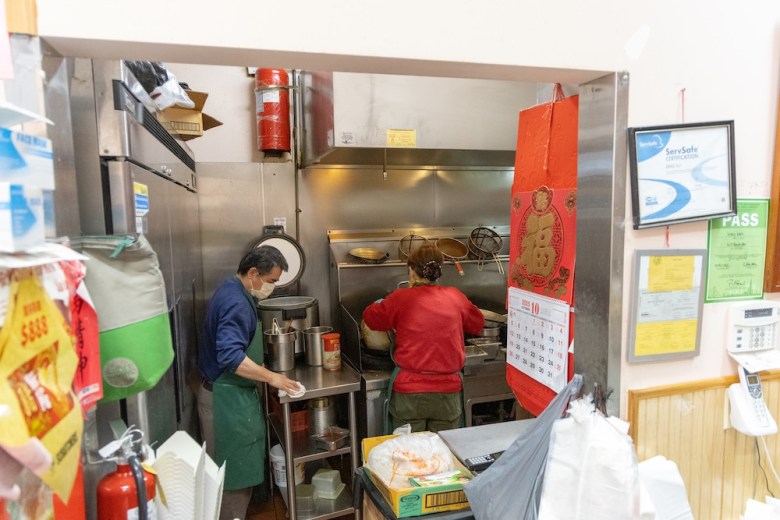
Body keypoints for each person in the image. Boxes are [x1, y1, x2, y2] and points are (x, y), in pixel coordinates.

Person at [197, 246, 302, 520]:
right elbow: (230, 355)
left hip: (230, 396)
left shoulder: (232, 289)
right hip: (225, 403)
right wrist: (273, 377)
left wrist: (261, 369)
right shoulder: (235, 302)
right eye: (271, 281)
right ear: (253, 273)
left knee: (234, 478)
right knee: (232, 482)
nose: (272, 287)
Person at [362, 244, 484, 433]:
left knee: (408, 453)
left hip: (409, 393)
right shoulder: (455, 296)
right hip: (447, 394)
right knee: (442, 453)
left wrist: (380, 303)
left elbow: (371, 318)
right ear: (438, 271)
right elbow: (477, 323)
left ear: (411, 271)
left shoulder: (401, 297)